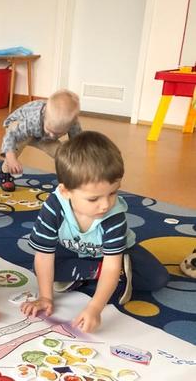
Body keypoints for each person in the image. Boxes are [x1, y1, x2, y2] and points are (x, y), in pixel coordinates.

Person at [21, 131, 169, 333]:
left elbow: (111, 264)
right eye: (93, 199)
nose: (106, 205)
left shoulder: (114, 216)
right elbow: (44, 255)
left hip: (115, 253)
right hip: (71, 249)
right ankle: (97, 271)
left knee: (157, 278)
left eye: (113, 192)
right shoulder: (54, 206)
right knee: (40, 269)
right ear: (66, 192)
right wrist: (45, 297)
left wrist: (94, 308)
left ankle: (94, 273)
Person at [0, 89, 81, 192]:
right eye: (50, 130)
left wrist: (76, 160)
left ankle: (69, 178)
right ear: (45, 116)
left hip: (42, 136)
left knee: (62, 152)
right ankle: (6, 172)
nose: (53, 135)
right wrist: (11, 158)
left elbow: (78, 143)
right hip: (18, 129)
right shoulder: (33, 120)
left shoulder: (73, 123)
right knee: (15, 148)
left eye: (58, 134)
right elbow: (11, 136)